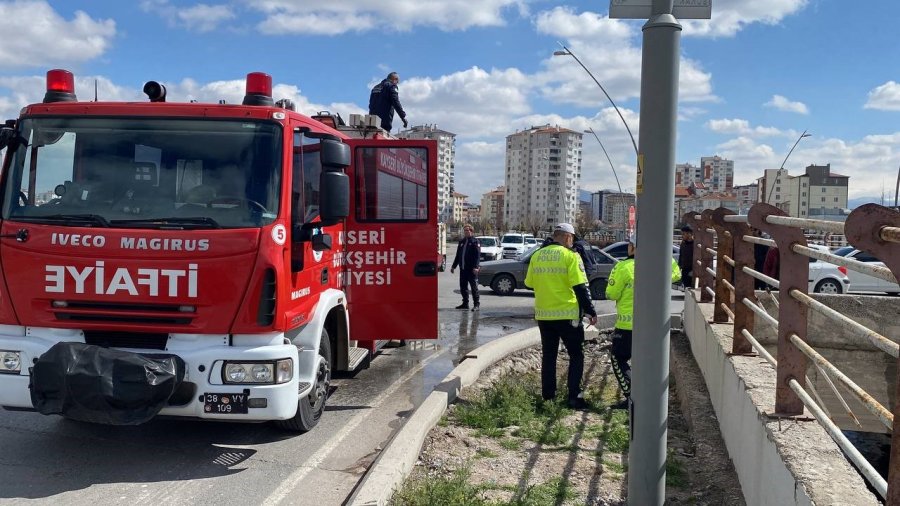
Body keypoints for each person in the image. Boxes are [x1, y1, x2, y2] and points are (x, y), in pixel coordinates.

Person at [525, 223, 598, 410]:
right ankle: (575, 397)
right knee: (576, 355)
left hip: (543, 315)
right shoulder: (571, 256)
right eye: (571, 238)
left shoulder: (537, 256)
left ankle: (548, 397)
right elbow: (581, 286)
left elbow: (529, 283)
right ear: (567, 237)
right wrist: (590, 310)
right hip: (567, 315)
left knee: (549, 356)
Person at [605, 233, 681, 409]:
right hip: (655, 326)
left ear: (633, 248)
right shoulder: (664, 262)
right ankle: (651, 397)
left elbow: (611, 293)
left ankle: (631, 396)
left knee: (618, 358)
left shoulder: (623, 267)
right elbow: (676, 275)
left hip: (627, 325)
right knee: (650, 361)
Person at [450, 224, 481, 311]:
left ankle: (476, 305)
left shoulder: (475, 241)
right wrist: (453, 266)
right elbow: (458, 255)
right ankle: (465, 303)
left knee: (474, 288)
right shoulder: (462, 242)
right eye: (465, 230)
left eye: (467, 230)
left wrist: (476, 267)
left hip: (472, 270)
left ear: (471, 231)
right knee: (463, 287)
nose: (466, 232)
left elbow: (477, 256)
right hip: (463, 269)